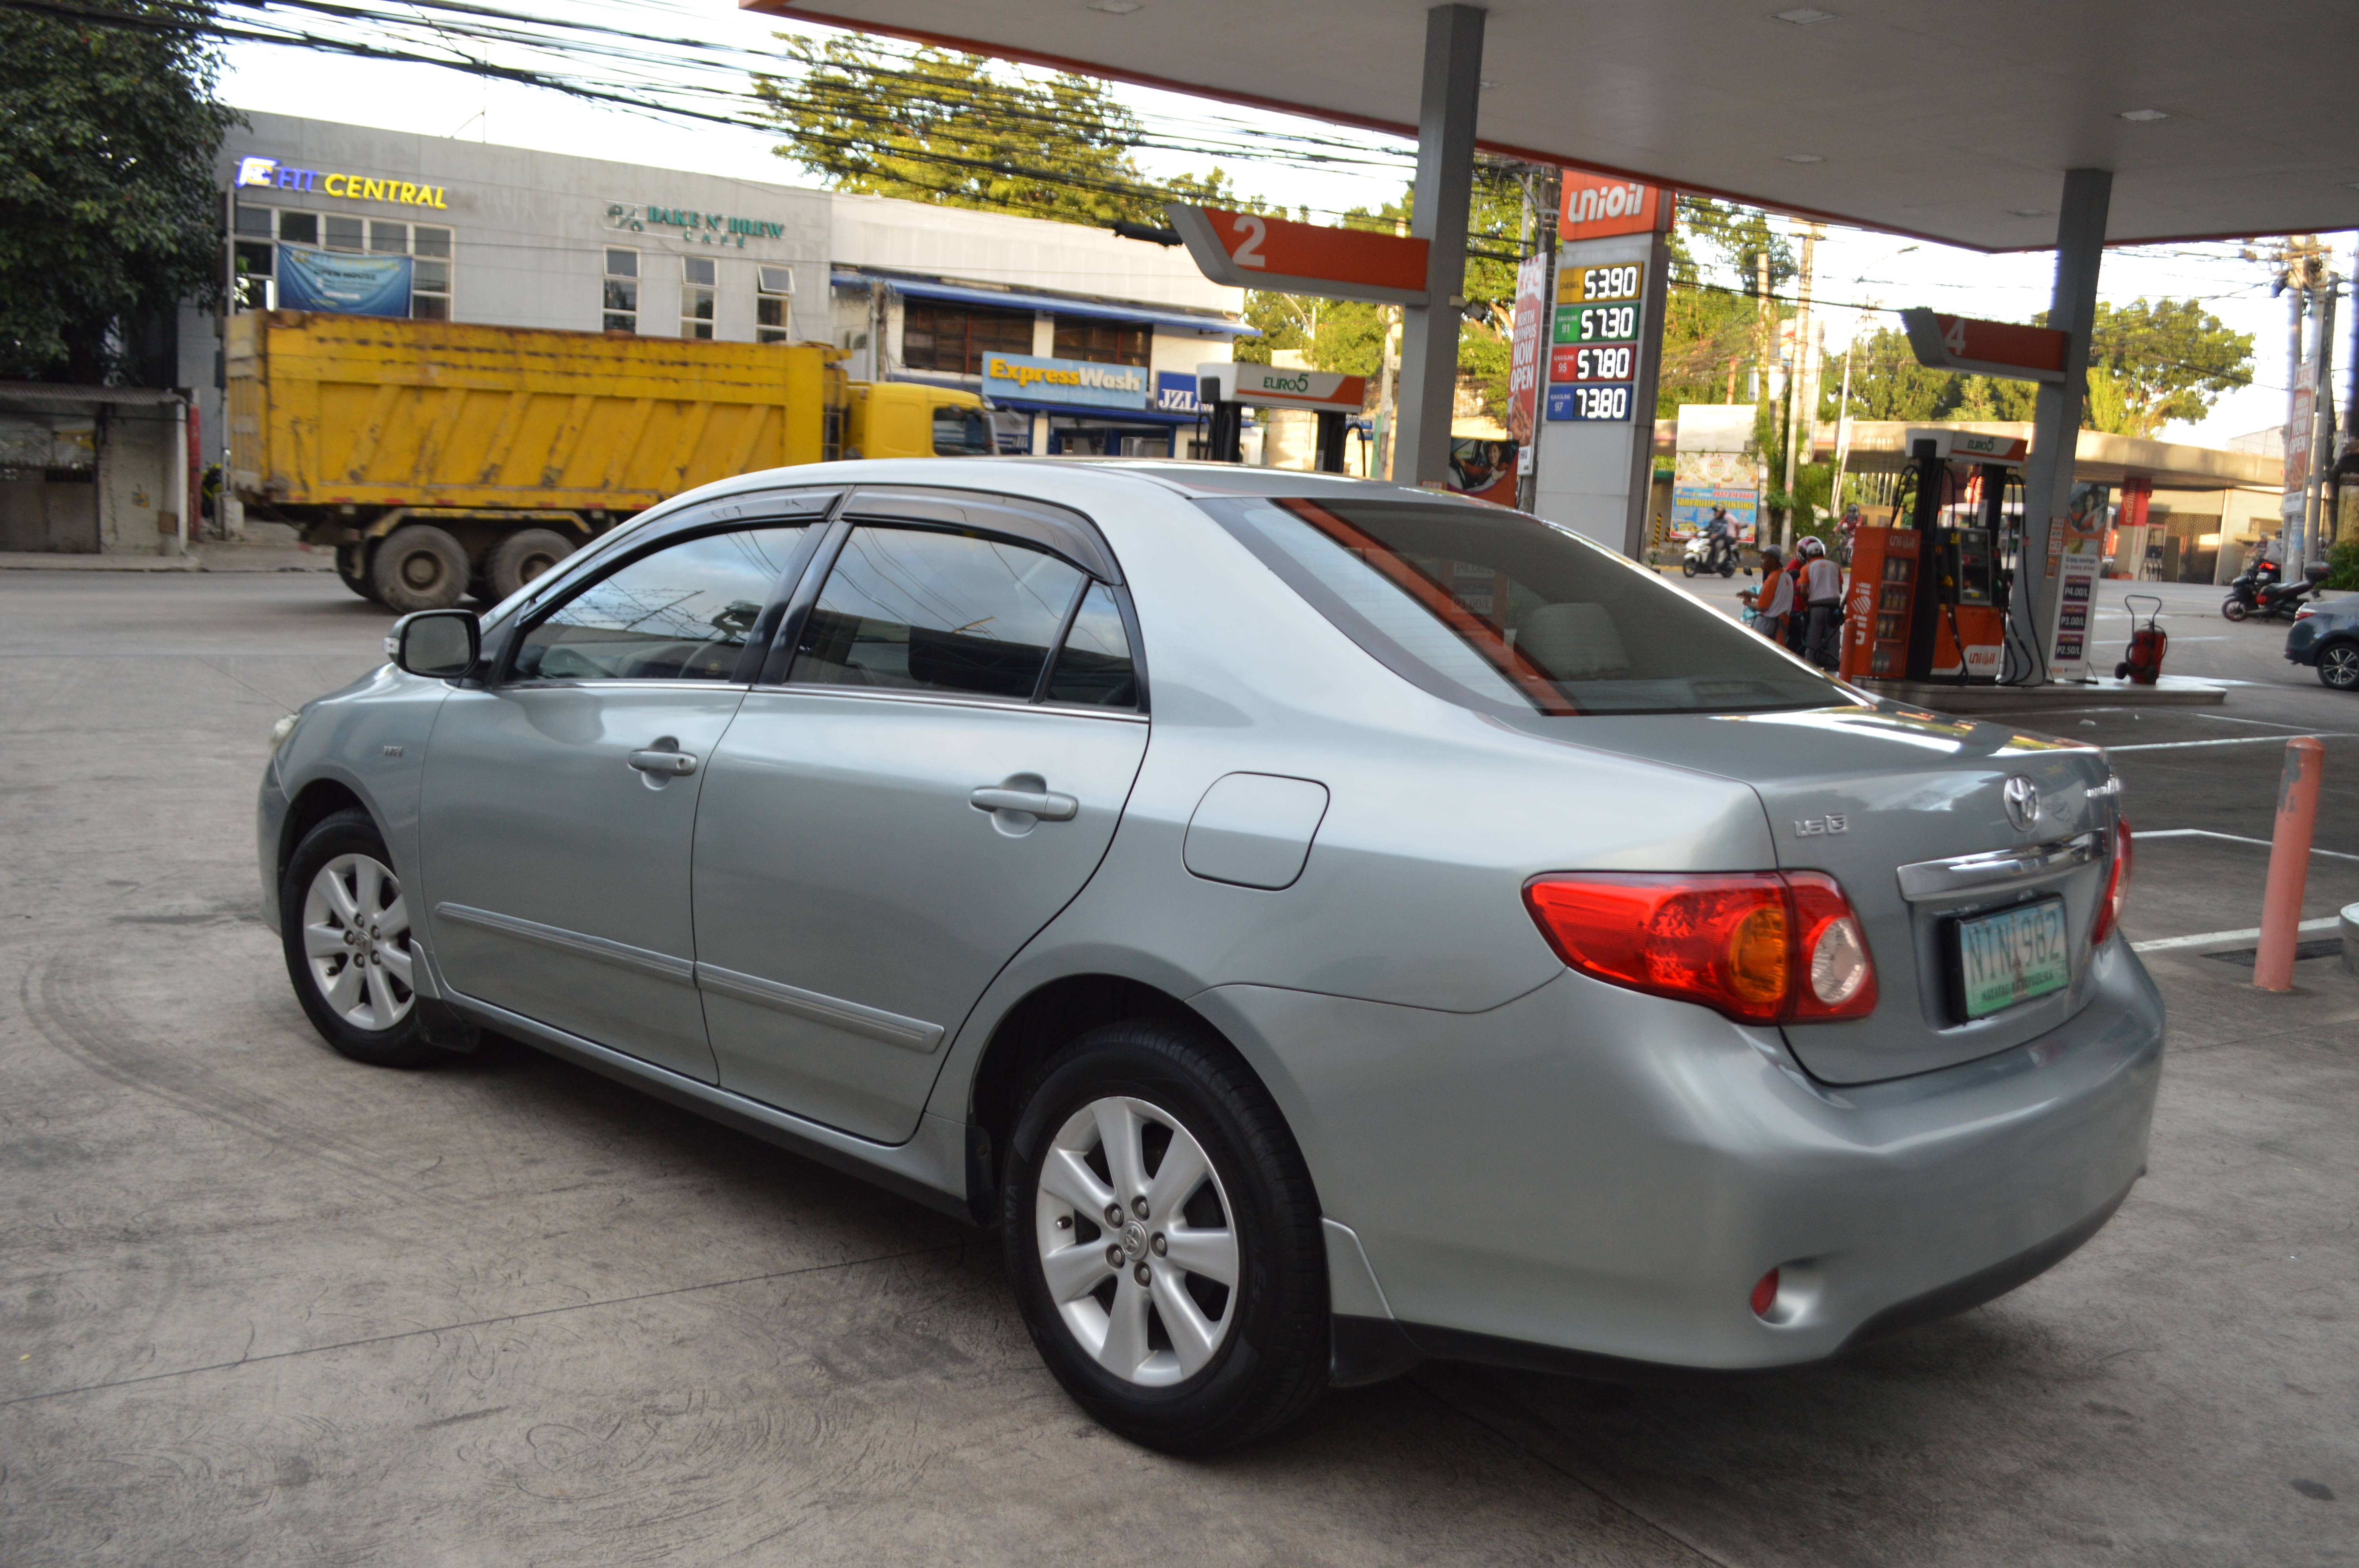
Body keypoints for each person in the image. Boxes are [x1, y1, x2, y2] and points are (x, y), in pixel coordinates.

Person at [1798, 534, 1845, 670]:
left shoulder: (1806, 568)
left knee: (1812, 643)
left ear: (1807, 556)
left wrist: (1806, 605)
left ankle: (1810, 670)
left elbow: (1803, 591)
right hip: (1834, 609)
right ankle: (1832, 672)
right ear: (1823, 554)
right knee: (1833, 644)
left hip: (1816, 608)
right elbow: (1840, 589)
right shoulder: (1835, 566)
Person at [1742, 547, 1790, 643]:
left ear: (1773, 561)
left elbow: (1762, 607)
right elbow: (1774, 599)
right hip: (1781, 622)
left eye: (1764, 558)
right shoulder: (1786, 576)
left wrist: (1748, 603)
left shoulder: (1772, 579)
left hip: (1768, 622)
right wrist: (1752, 595)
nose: (1760, 561)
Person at [1703, 506, 1736, 573]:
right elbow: (1707, 527)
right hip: (1713, 539)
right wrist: (1699, 531)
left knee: (1718, 546)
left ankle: (1715, 563)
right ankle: (1706, 562)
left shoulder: (1724, 521)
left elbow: (1723, 530)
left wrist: (1717, 534)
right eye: (1716, 512)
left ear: (1722, 513)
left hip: (1721, 539)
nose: (1716, 513)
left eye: (1718, 512)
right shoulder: (1713, 521)